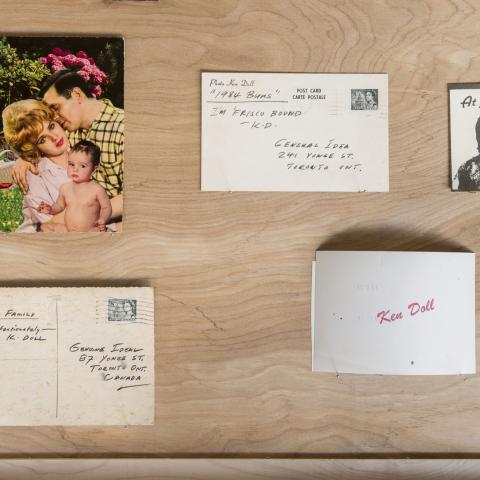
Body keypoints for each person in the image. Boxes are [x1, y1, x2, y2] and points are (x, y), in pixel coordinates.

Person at [11, 69, 123, 219]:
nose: (55, 118)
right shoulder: (68, 131)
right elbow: (41, 141)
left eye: (56, 108)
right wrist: (24, 159)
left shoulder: (122, 128)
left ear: (77, 95)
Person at [37, 140, 112, 232]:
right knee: (45, 227)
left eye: (82, 166)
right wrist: (51, 209)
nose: (75, 169)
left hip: (90, 230)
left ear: (94, 170)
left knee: (103, 232)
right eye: (71, 164)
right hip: (68, 230)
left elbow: (106, 207)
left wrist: (103, 219)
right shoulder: (65, 188)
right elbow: (59, 206)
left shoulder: (97, 190)